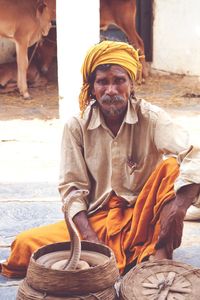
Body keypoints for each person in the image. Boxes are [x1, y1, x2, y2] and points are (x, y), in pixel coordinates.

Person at [1, 40, 200, 278]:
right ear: (92, 87)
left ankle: (159, 253)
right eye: (102, 82)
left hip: (145, 219)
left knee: (172, 168)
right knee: (25, 245)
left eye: (119, 80)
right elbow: (72, 189)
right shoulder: (76, 127)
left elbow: (194, 155)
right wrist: (92, 242)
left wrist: (178, 208)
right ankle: (129, 256)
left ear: (131, 84)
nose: (111, 90)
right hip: (99, 222)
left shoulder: (152, 118)